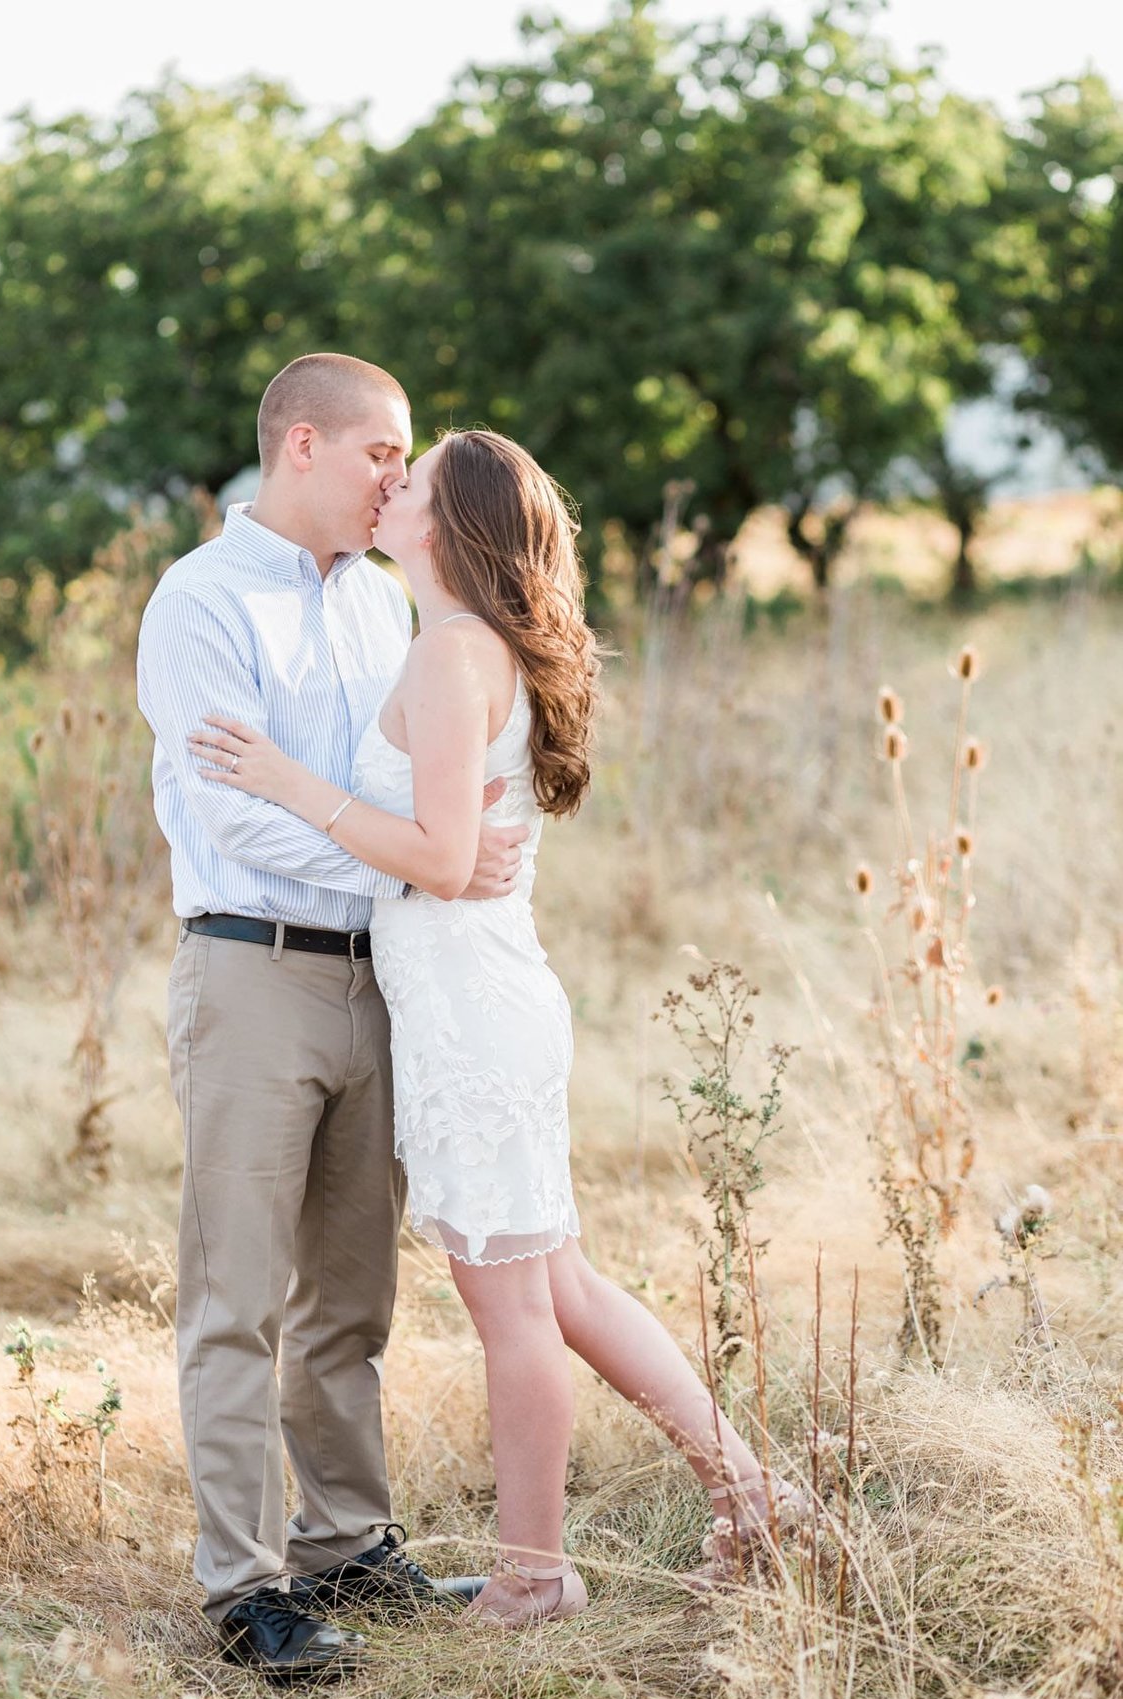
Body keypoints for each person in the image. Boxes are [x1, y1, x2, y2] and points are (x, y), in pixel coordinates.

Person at [189, 428, 810, 1626]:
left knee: (518, 1308)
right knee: (563, 1284)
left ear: (445, 522)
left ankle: (536, 1575)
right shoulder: (467, 649)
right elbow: (444, 853)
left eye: (408, 479)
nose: (387, 485)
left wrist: (286, 781)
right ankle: (754, 1492)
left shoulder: (449, 655)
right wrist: (419, 853)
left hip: (474, 1012)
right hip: (487, 992)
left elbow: (437, 854)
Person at [137, 355, 517, 1685]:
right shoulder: (198, 601)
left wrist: (425, 862)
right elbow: (229, 805)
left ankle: (348, 1547)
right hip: (250, 975)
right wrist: (414, 857)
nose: (399, 482)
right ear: (304, 444)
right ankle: (244, 1594)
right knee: (237, 1294)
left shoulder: (382, 607)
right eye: (382, 455)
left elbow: (412, 789)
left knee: (351, 1297)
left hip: (383, 977)